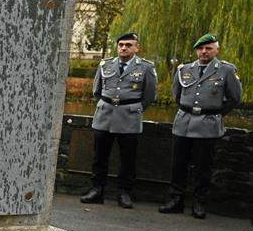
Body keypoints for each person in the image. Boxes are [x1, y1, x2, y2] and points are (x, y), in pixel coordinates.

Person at [158, 34, 243, 220]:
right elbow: (177, 95)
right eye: (201, 48)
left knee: (203, 166)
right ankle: (175, 200)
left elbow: (235, 98)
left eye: (209, 48)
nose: (204, 52)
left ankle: (199, 203)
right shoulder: (185, 69)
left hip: (207, 123)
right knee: (178, 165)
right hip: (184, 122)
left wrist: (216, 113)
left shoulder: (226, 70)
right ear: (197, 50)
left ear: (216, 50)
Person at [80, 32, 157, 209]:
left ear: (137, 48)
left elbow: (150, 95)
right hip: (105, 115)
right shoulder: (105, 64)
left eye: (129, 45)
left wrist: (133, 109)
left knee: (127, 159)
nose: (124, 48)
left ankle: (124, 193)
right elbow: (97, 90)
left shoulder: (146, 67)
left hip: (129, 117)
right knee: (99, 157)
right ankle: (97, 190)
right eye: (121, 44)